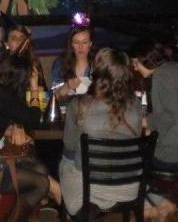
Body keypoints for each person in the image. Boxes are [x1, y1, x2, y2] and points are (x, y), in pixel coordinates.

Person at [0, 54, 61, 221]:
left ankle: (33, 213)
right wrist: (34, 88)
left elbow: (8, 115)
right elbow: (34, 119)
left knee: (40, 169)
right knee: (42, 184)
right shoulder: (0, 95)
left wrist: (14, 126)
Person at [59, 47, 142, 217]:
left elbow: (69, 148)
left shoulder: (79, 105)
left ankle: (77, 209)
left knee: (65, 160)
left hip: (91, 189)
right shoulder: (136, 103)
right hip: (131, 186)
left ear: (96, 73)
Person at [129, 36, 178, 221]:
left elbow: (170, 116)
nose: (135, 68)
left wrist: (146, 122)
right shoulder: (175, 68)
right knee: (140, 151)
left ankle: (156, 204)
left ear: (146, 60)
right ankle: (156, 204)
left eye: (136, 63)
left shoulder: (162, 76)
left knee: (130, 158)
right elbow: (172, 113)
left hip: (177, 153)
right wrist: (151, 124)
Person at [51, 22, 95, 99]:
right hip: (67, 105)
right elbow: (54, 95)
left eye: (84, 42)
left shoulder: (98, 63)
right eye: (76, 42)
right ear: (71, 44)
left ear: (90, 43)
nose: (80, 47)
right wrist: (67, 86)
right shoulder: (61, 64)